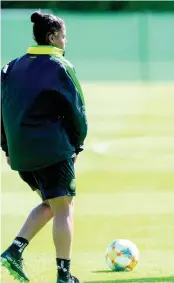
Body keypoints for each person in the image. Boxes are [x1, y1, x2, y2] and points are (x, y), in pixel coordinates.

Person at [1, 10, 87, 283]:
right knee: (64, 208)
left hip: (21, 153)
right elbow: (77, 113)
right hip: (52, 148)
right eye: (63, 36)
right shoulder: (60, 66)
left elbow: (1, 111)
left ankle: (15, 250)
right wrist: (77, 147)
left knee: (50, 203)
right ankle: (64, 277)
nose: (65, 41)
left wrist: (6, 147)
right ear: (52, 37)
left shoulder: (10, 66)